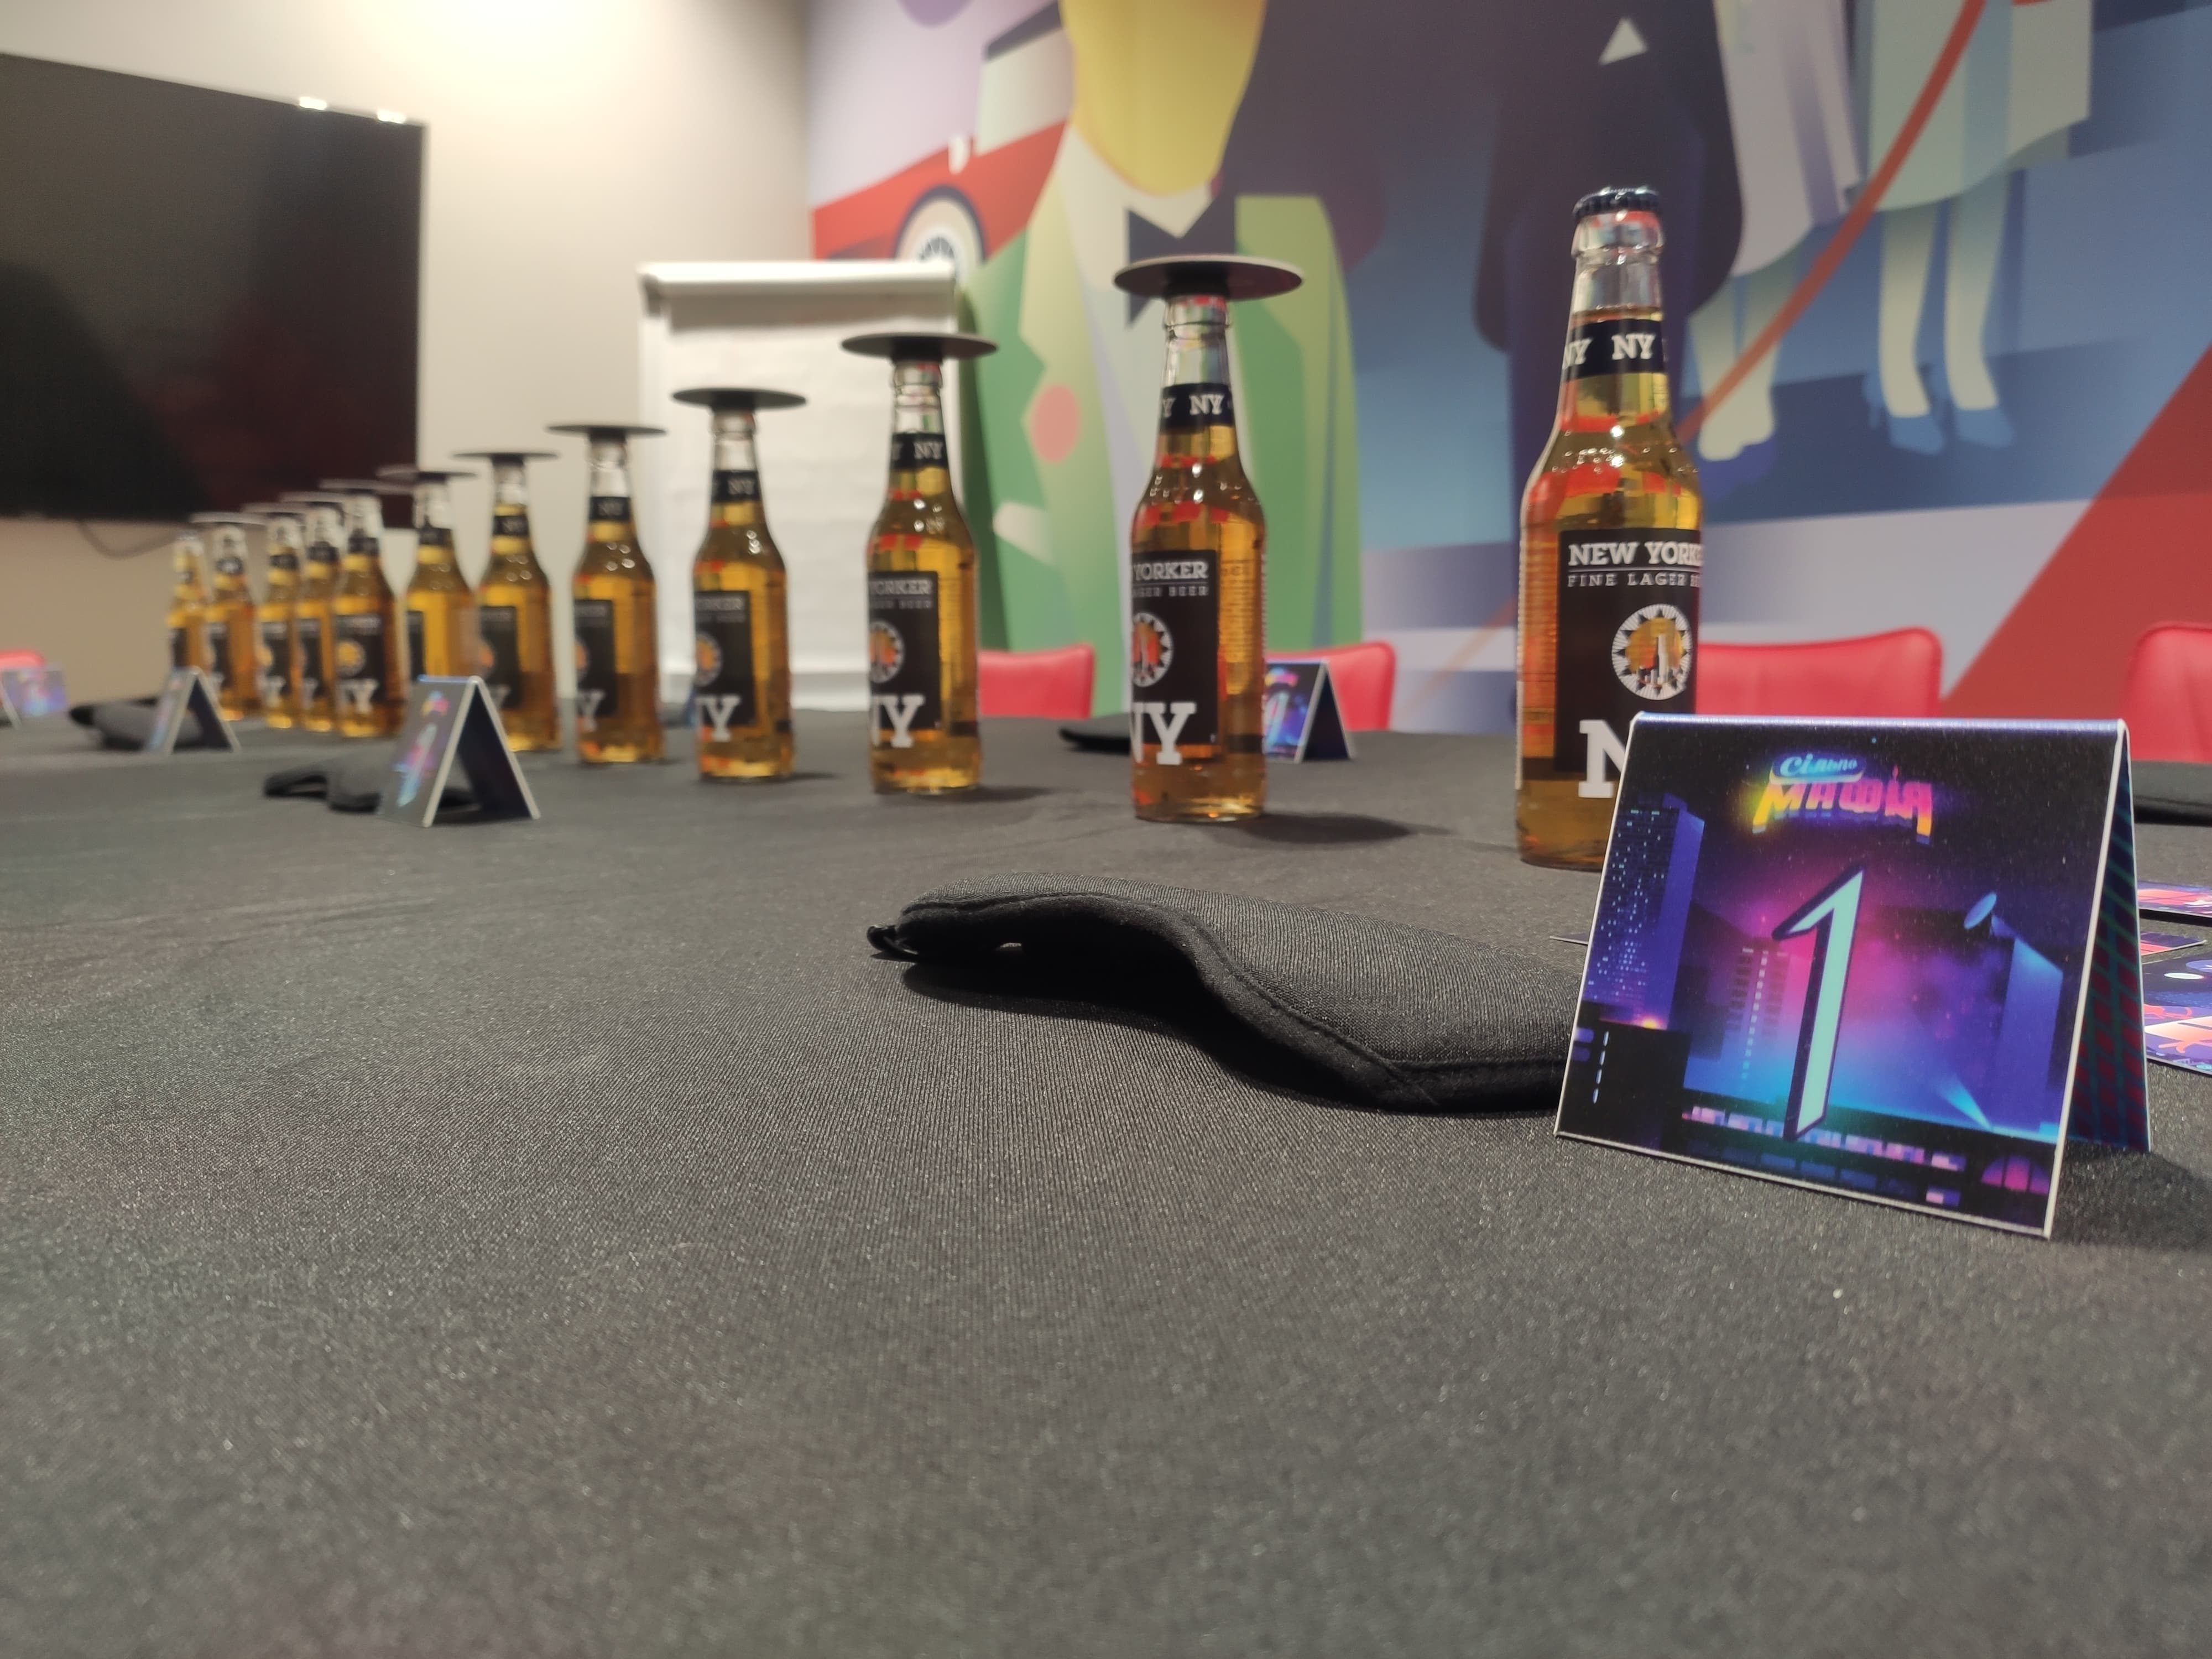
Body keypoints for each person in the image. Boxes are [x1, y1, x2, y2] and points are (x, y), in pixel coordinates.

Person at [961, 0, 1362, 713]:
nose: (1202, 29)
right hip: (1072, 769)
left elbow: (1331, 594)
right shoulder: (990, 303)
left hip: (1260, 757)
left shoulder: (1301, 258)